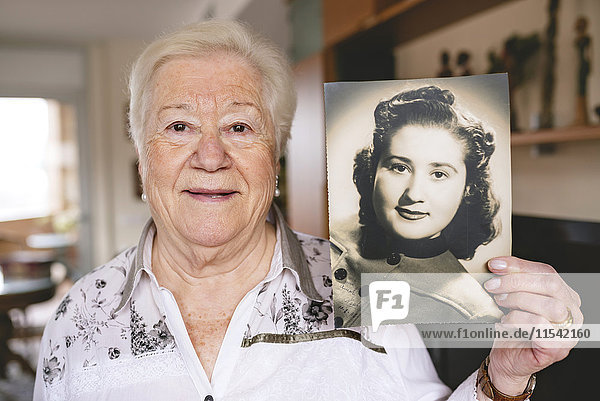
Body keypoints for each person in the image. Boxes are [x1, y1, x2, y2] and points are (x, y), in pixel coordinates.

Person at [34, 20, 582, 401]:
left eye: (240, 127)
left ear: (275, 157)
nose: (210, 156)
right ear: (141, 156)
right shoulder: (78, 318)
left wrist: (504, 376)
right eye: (178, 126)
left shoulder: (367, 287)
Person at [331, 85, 504, 327]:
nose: (413, 194)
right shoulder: (322, 238)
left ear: (468, 187)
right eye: (400, 167)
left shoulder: (472, 312)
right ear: (373, 170)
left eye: (439, 174)